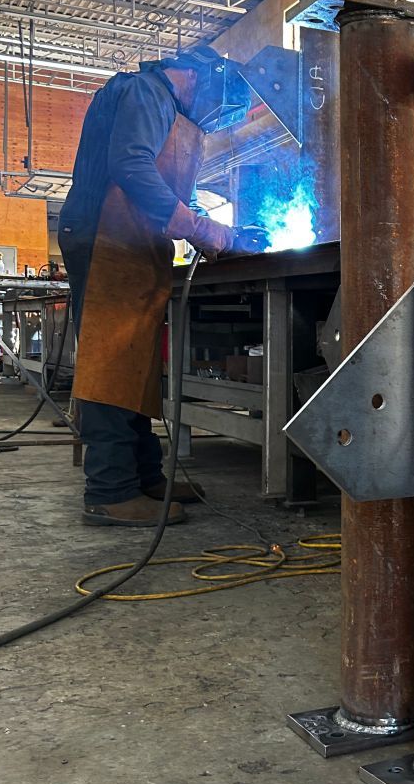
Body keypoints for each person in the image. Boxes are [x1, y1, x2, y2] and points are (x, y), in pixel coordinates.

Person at [58, 46, 266, 528]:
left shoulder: (169, 112)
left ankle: (144, 475)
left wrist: (211, 230)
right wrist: (198, 228)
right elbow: (132, 168)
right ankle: (109, 490)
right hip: (104, 237)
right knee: (112, 359)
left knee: (136, 358)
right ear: (198, 74)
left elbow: (174, 194)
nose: (217, 113)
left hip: (130, 244)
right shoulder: (146, 91)